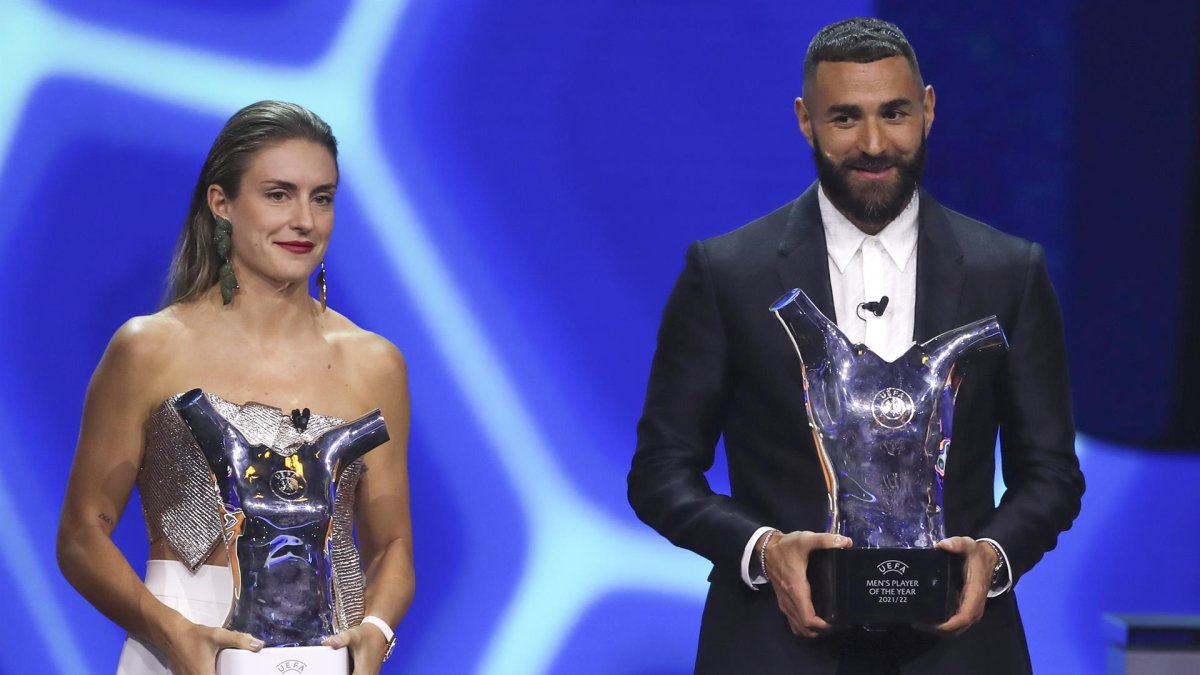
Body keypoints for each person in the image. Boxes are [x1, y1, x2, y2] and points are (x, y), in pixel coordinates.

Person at [628, 18, 1084, 674]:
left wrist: (993, 556)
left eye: (894, 113)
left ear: (927, 109)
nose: (874, 143)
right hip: (773, 648)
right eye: (845, 118)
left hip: (958, 652)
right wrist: (763, 550)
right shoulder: (726, 272)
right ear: (805, 121)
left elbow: (1051, 473)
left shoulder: (1008, 271)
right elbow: (660, 471)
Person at [56, 101, 414, 675]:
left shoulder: (375, 363)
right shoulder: (150, 348)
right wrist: (173, 631)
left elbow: (393, 545)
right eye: (279, 194)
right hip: (178, 643)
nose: (305, 220)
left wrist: (376, 630)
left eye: (322, 197)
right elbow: (81, 534)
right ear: (221, 203)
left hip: (327, 655)